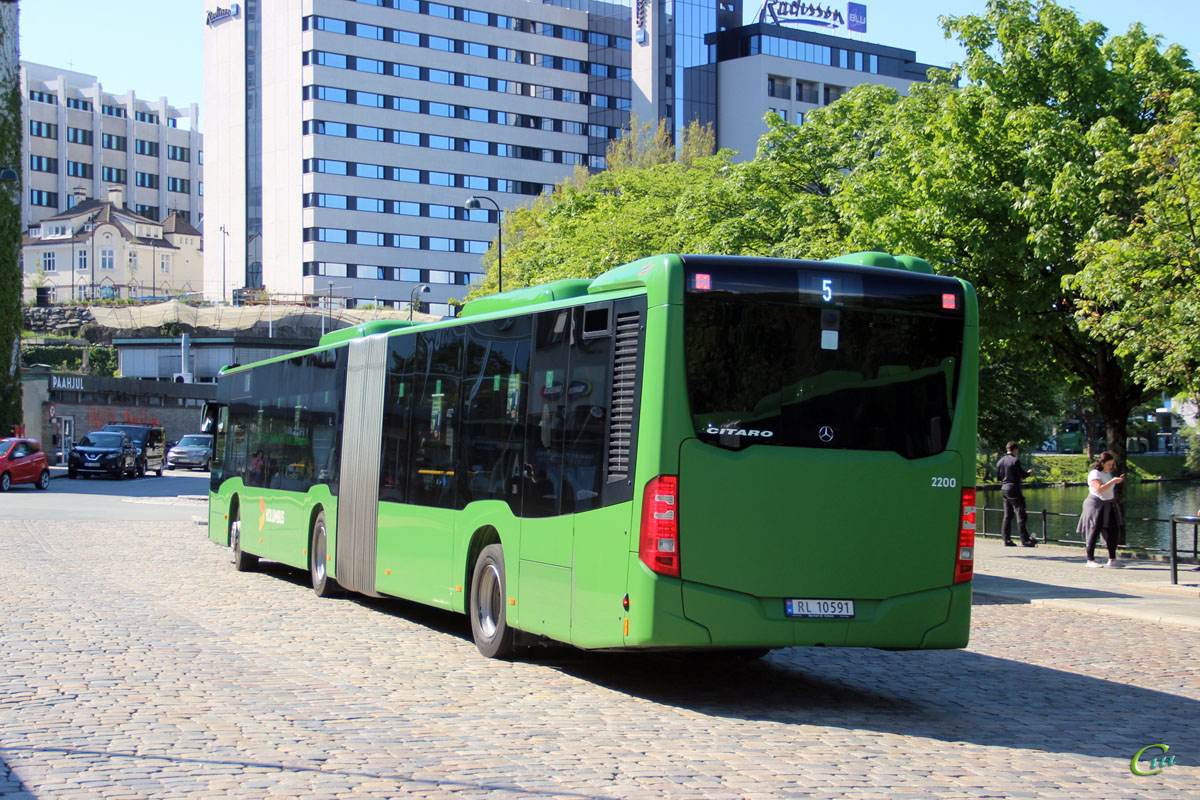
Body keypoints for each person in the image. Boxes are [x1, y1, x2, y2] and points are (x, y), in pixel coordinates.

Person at [1076, 451, 1124, 568]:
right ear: (1102, 463)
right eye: (1109, 464)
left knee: (1113, 530)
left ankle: (1112, 559)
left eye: (1112, 464)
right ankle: (1090, 560)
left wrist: (1116, 481)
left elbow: (1108, 489)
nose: (1110, 466)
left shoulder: (1107, 473)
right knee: (1093, 530)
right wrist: (1113, 481)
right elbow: (1099, 489)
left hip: (1109, 504)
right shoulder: (1094, 474)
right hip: (1096, 504)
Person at [995, 442, 1037, 547]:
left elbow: (999, 477)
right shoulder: (1015, 461)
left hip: (1004, 488)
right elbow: (1021, 475)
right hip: (1013, 488)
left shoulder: (1000, 461)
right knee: (1021, 513)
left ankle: (1006, 539)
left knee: (1008, 515)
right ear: (1015, 450)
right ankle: (1025, 540)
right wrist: (1028, 473)